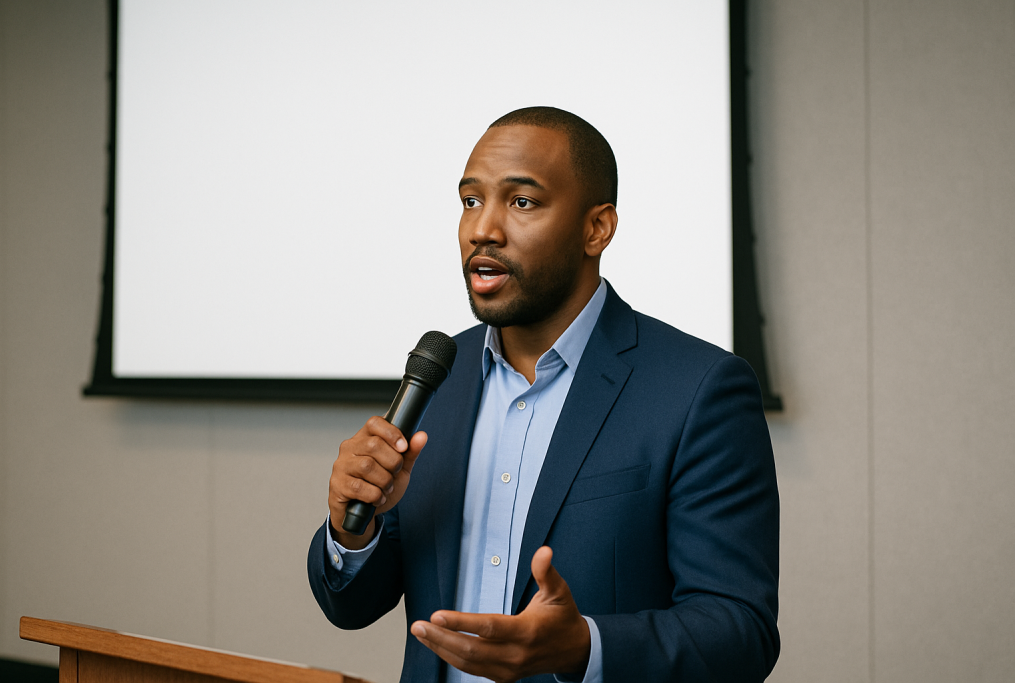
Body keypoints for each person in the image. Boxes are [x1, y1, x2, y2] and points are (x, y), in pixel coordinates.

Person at [308, 107, 780, 683]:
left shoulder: (698, 389)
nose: (483, 229)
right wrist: (351, 531)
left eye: (522, 202)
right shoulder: (440, 377)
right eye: (470, 201)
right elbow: (351, 607)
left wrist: (586, 647)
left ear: (596, 229)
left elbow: (740, 633)